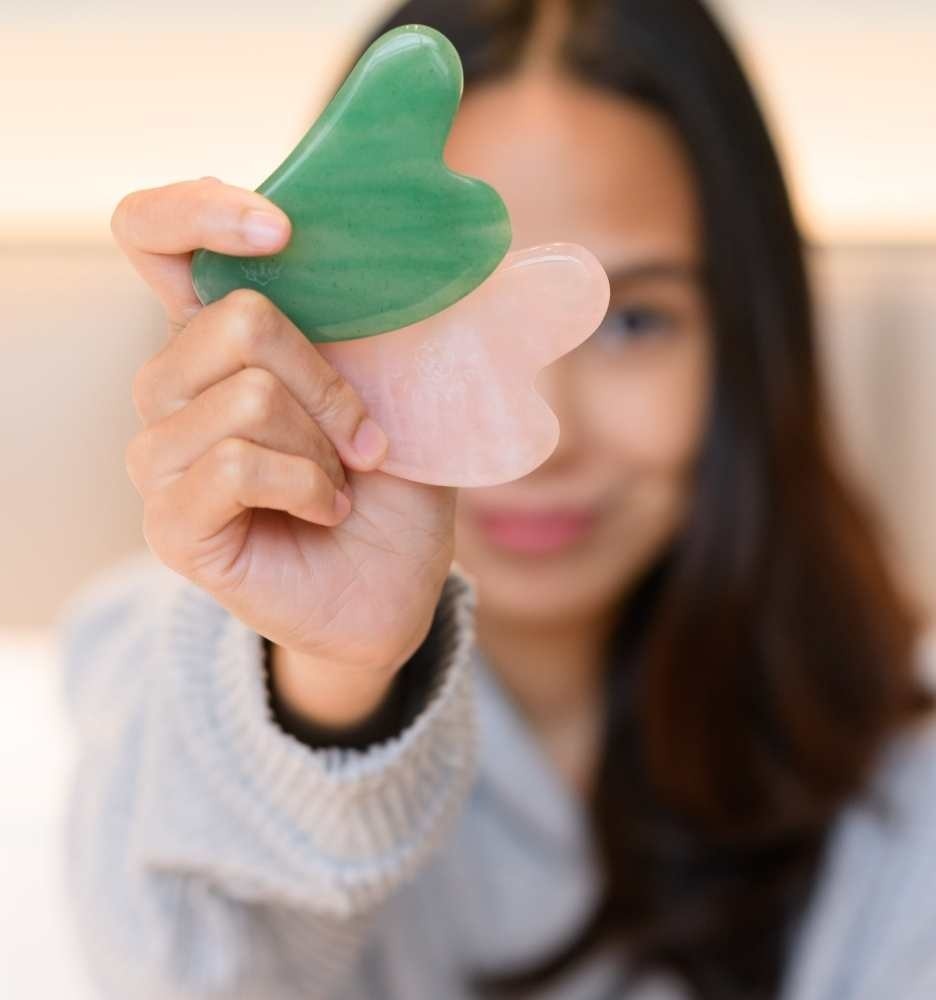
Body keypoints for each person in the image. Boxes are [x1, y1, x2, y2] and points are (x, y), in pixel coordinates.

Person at [56, 1, 936, 998]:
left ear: (748, 341)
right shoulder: (175, 673)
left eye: (634, 320)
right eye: (449, 314)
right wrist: (328, 686)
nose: (541, 433)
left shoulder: (904, 785)